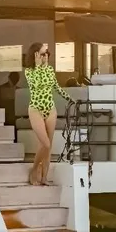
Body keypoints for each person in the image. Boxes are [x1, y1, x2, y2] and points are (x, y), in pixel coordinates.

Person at [23, 42, 72, 185]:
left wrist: (70, 99)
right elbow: (36, 84)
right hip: (36, 109)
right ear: (36, 55)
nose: (46, 56)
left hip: (50, 109)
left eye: (47, 53)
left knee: (49, 146)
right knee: (44, 143)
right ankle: (34, 170)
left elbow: (56, 87)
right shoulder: (29, 71)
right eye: (43, 54)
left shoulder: (50, 70)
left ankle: (44, 177)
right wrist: (38, 66)